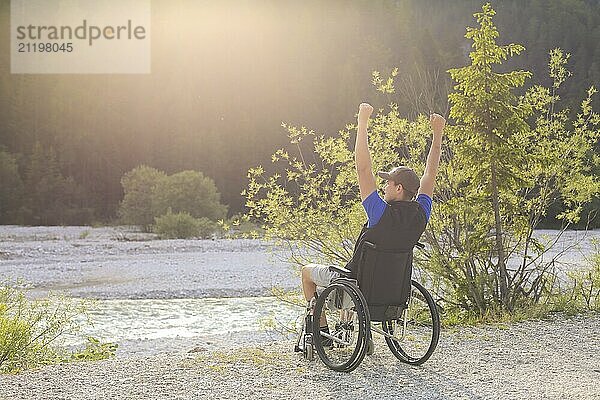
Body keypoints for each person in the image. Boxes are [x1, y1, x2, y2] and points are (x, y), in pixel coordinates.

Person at [301, 102, 445, 336]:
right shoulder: (421, 214)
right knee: (352, 272)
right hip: (392, 292)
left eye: (388, 182)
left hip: (359, 289)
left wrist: (362, 122)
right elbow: (430, 175)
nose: (385, 185)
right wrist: (437, 133)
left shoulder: (380, 213)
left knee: (307, 272)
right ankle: (349, 331)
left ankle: (321, 331)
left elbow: (363, 170)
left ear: (398, 188)